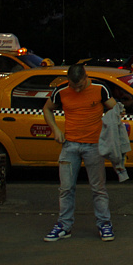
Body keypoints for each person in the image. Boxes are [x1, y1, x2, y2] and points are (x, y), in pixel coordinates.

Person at [41, 64, 117, 242]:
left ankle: (104, 223)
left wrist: (109, 130)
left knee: (98, 188)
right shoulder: (61, 91)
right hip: (70, 145)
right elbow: (47, 109)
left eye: (80, 85)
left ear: (86, 77)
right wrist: (55, 130)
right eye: (72, 85)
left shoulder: (100, 89)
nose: (76, 89)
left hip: (94, 146)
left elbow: (115, 109)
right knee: (66, 188)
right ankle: (64, 225)